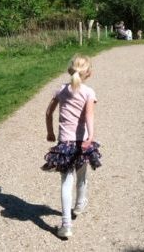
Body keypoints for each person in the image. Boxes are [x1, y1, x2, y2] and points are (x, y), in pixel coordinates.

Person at [43, 55, 102, 239]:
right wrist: (90, 137)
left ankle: (66, 225)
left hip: (65, 144)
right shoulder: (88, 92)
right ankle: (79, 205)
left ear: (70, 70)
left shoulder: (61, 90)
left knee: (66, 183)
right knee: (82, 176)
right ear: (89, 73)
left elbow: (48, 113)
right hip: (82, 142)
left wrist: (50, 132)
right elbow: (89, 116)